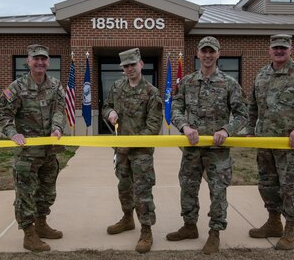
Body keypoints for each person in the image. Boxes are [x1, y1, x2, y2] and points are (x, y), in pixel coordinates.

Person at [167, 36, 248, 254]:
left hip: (217, 150)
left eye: (212, 51)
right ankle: (189, 226)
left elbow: (242, 114)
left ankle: (215, 232)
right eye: (204, 51)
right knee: (188, 186)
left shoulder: (229, 83)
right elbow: (175, 108)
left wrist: (226, 130)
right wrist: (184, 126)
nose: (208, 55)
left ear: (218, 54)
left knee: (218, 191)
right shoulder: (187, 82)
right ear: (198, 54)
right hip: (192, 148)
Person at [247, 34, 294, 250]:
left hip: (289, 145)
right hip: (264, 142)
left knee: (289, 187)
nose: (279, 51)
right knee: (267, 184)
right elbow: (252, 106)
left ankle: (290, 229)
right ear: (269, 50)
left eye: (283, 48)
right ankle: (273, 223)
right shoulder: (262, 74)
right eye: (276, 48)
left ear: (290, 50)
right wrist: (250, 131)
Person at [0, 44, 67, 252]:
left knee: (47, 192)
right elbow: (3, 115)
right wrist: (12, 133)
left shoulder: (55, 85)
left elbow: (59, 110)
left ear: (48, 62)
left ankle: (42, 225)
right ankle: (28, 235)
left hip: (49, 152)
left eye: (44, 59)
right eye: (36, 59)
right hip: (27, 155)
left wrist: (57, 128)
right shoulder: (16, 88)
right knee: (25, 194)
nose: (40, 62)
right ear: (28, 61)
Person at [102, 48, 163, 254]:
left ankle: (146, 231)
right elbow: (106, 106)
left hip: (141, 154)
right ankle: (128, 219)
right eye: (126, 66)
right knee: (124, 187)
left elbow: (153, 127)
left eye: (132, 65)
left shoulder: (151, 92)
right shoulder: (117, 87)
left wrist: (132, 144)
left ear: (141, 64)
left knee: (142, 192)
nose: (129, 69)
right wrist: (109, 112)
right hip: (121, 150)